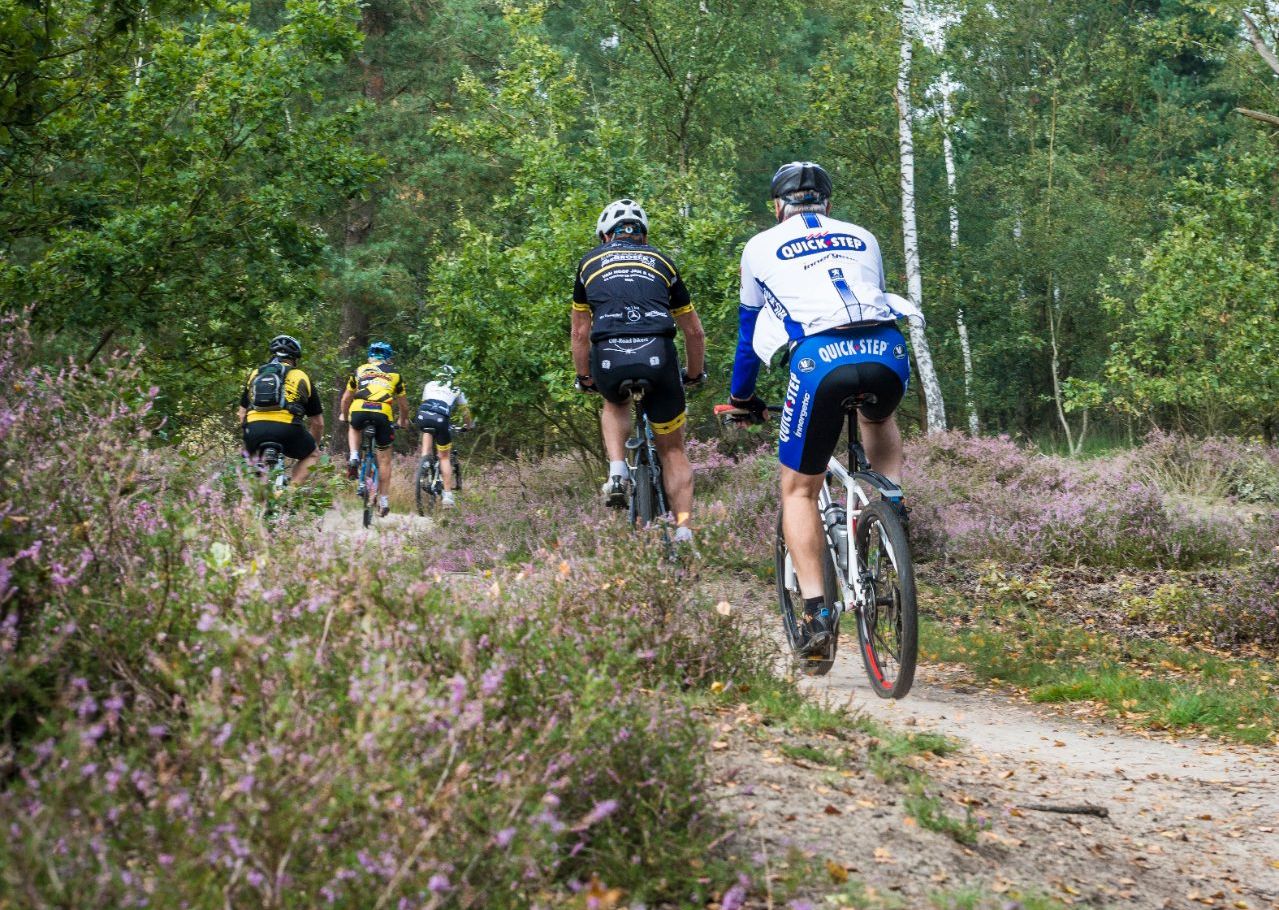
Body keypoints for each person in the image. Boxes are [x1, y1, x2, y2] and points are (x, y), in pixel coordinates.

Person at [725, 161, 918, 654]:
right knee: (877, 413)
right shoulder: (863, 236)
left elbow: (749, 337)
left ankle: (816, 614)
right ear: (828, 205)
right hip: (888, 354)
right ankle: (889, 503)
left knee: (798, 491)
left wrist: (743, 398)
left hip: (820, 362)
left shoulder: (758, 247)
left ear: (777, 207)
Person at [571, 198, 706, 543]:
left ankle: (617, 471)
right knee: (673, 450)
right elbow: (693, 331)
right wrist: (693, 374)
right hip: (658, 355)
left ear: (605, 236)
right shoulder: (663, 262)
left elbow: (580, 333)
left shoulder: (588, 264)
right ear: (643, 237)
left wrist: (585, 377)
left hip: (610, 356)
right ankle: (684, 529)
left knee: (614, 403)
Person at [237, 334, 324, 485]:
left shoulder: (255, 374)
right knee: (313, 455)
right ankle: (289, 496)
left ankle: (255, 502)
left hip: (255, 429)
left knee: (249, 465)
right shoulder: (301, 376)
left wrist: (249, 433)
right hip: (287, 429)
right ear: (295, 358)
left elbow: (241, 413)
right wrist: (313, 444)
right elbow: (318, 423)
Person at [340, 341, 410, 517]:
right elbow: (404, 405)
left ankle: (355, 456)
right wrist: (403, 420)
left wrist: (344, 414)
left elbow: (346, 398)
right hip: (382, 414)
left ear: (370, 358)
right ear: (389, 359)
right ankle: (384, 501)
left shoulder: (360, 370)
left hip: (359, 409)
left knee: (353, 426)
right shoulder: (395, 374)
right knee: (385, 460)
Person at [414, 364, 475, 506]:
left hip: (423, 416)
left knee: (428, 430)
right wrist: (468, 426)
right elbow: (466, 412)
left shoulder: (429, 384)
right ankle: (447, 496)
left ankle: (425, 461)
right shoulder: (456, 388)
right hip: (441, 419)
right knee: (444, 457)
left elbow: (426, 403)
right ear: (452, 377)